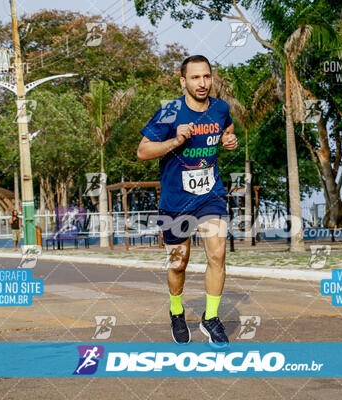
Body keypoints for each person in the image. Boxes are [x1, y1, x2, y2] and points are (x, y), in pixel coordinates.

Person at [137, 55, 238, 346]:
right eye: (195, 78)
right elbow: (143, 151)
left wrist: (228, 140)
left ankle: (211, 318)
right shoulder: (169, 112)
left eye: (206, 77)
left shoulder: (220, 108)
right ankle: (177, 311)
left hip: (210, 195)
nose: (202, 83)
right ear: (183, 82)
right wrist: (175, 141)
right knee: (178, 264)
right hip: (175, 201)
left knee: (217, 254)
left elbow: (227, 130)